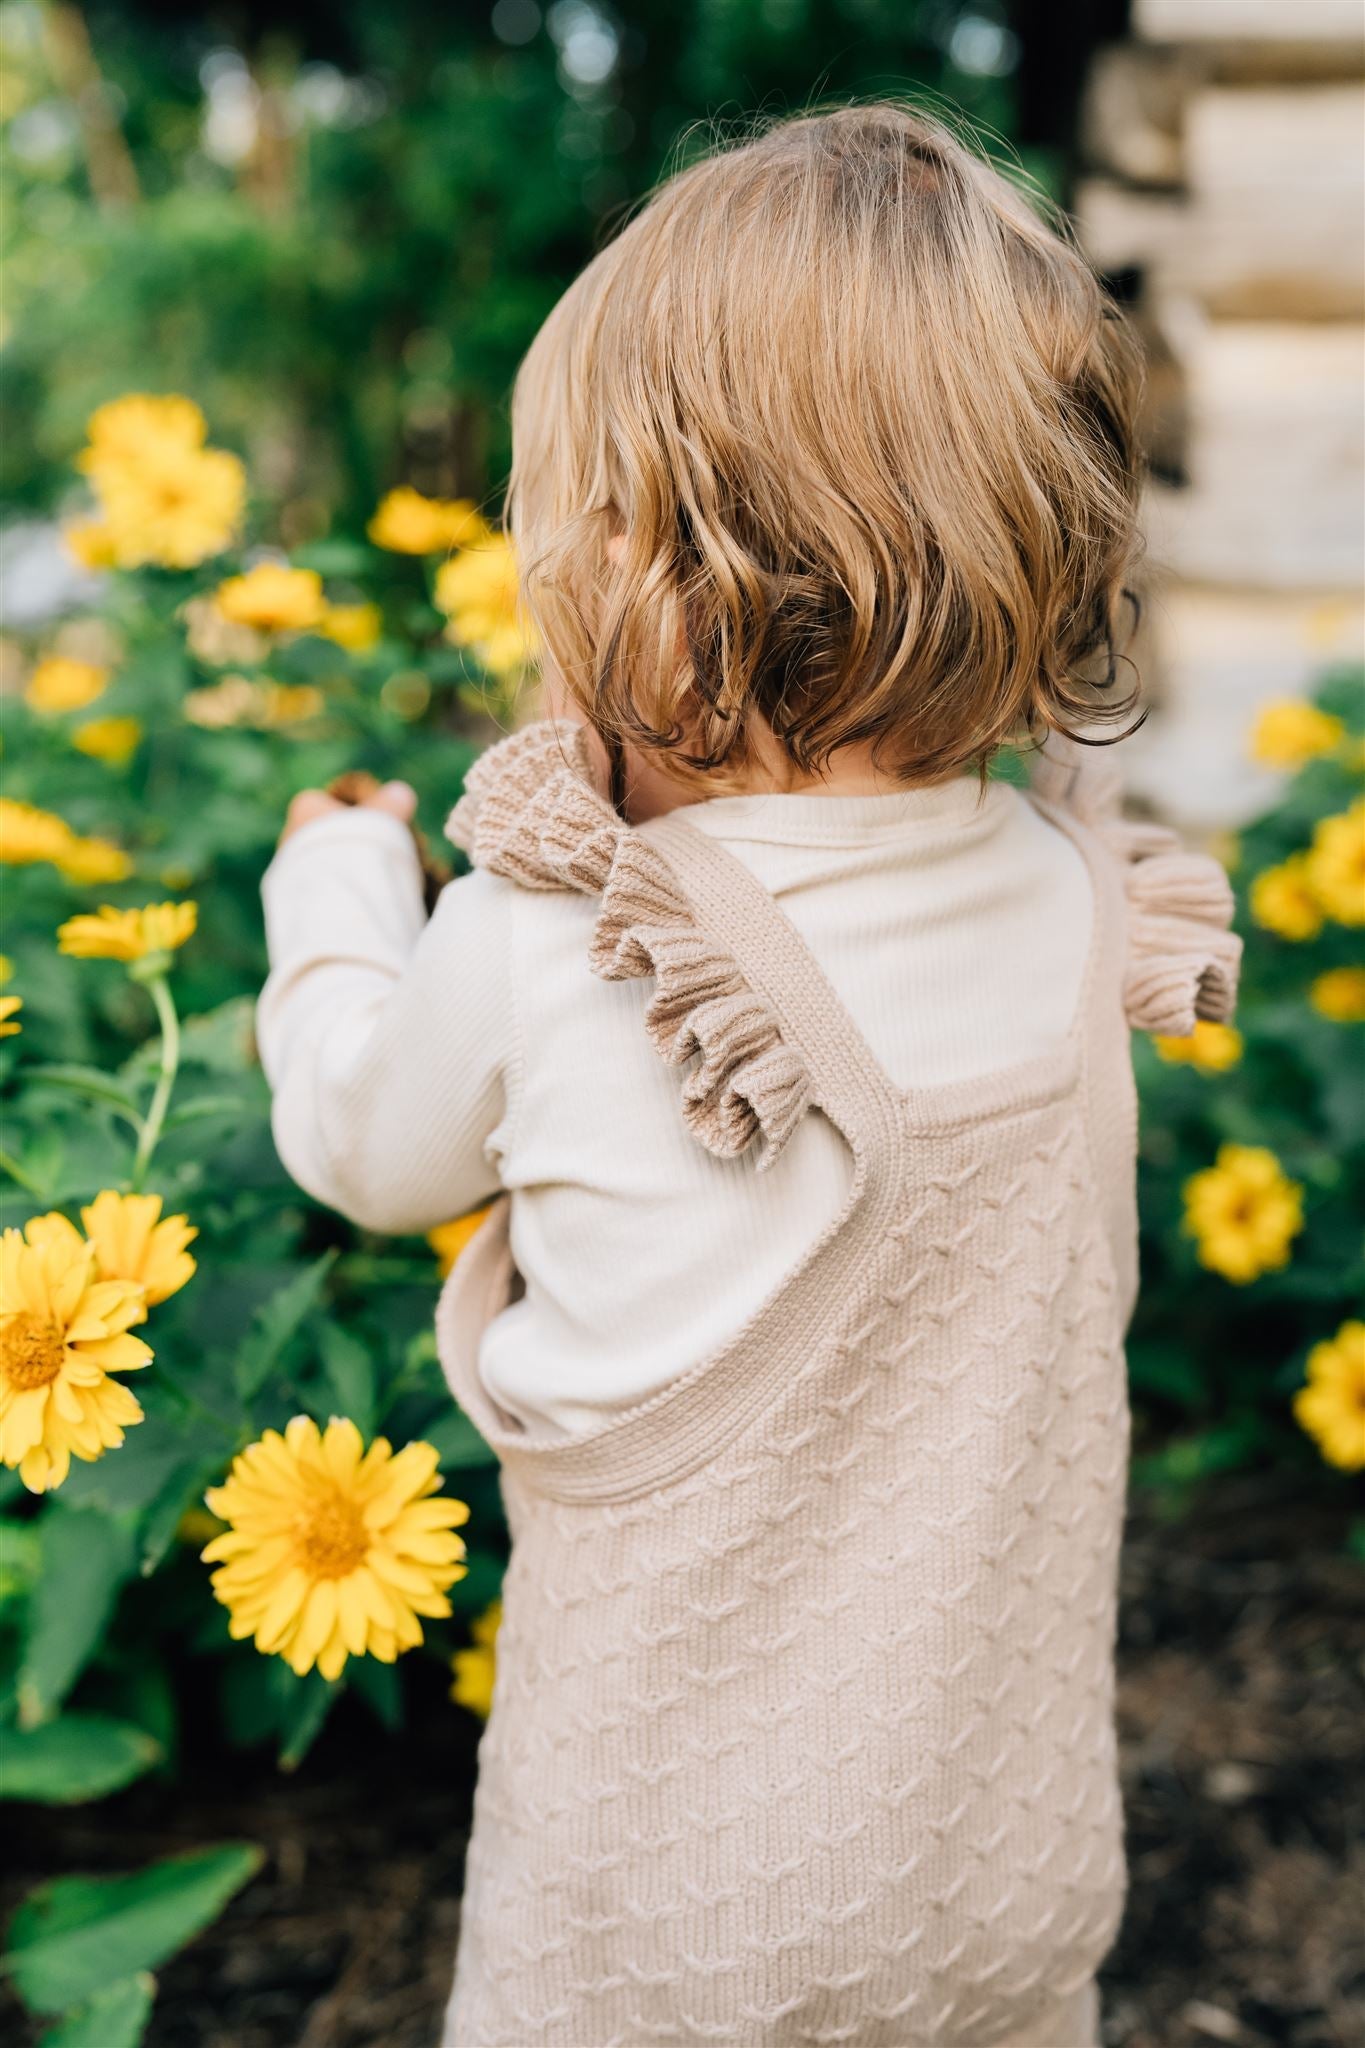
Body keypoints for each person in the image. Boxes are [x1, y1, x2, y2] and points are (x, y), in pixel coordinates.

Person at [259, 104, 1240, 2048]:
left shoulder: (559, 944)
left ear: (668, 564)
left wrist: (336, 895)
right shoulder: (1067, 898)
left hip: (662, 1933)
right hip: (1003, 1883)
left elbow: (361, 1147)